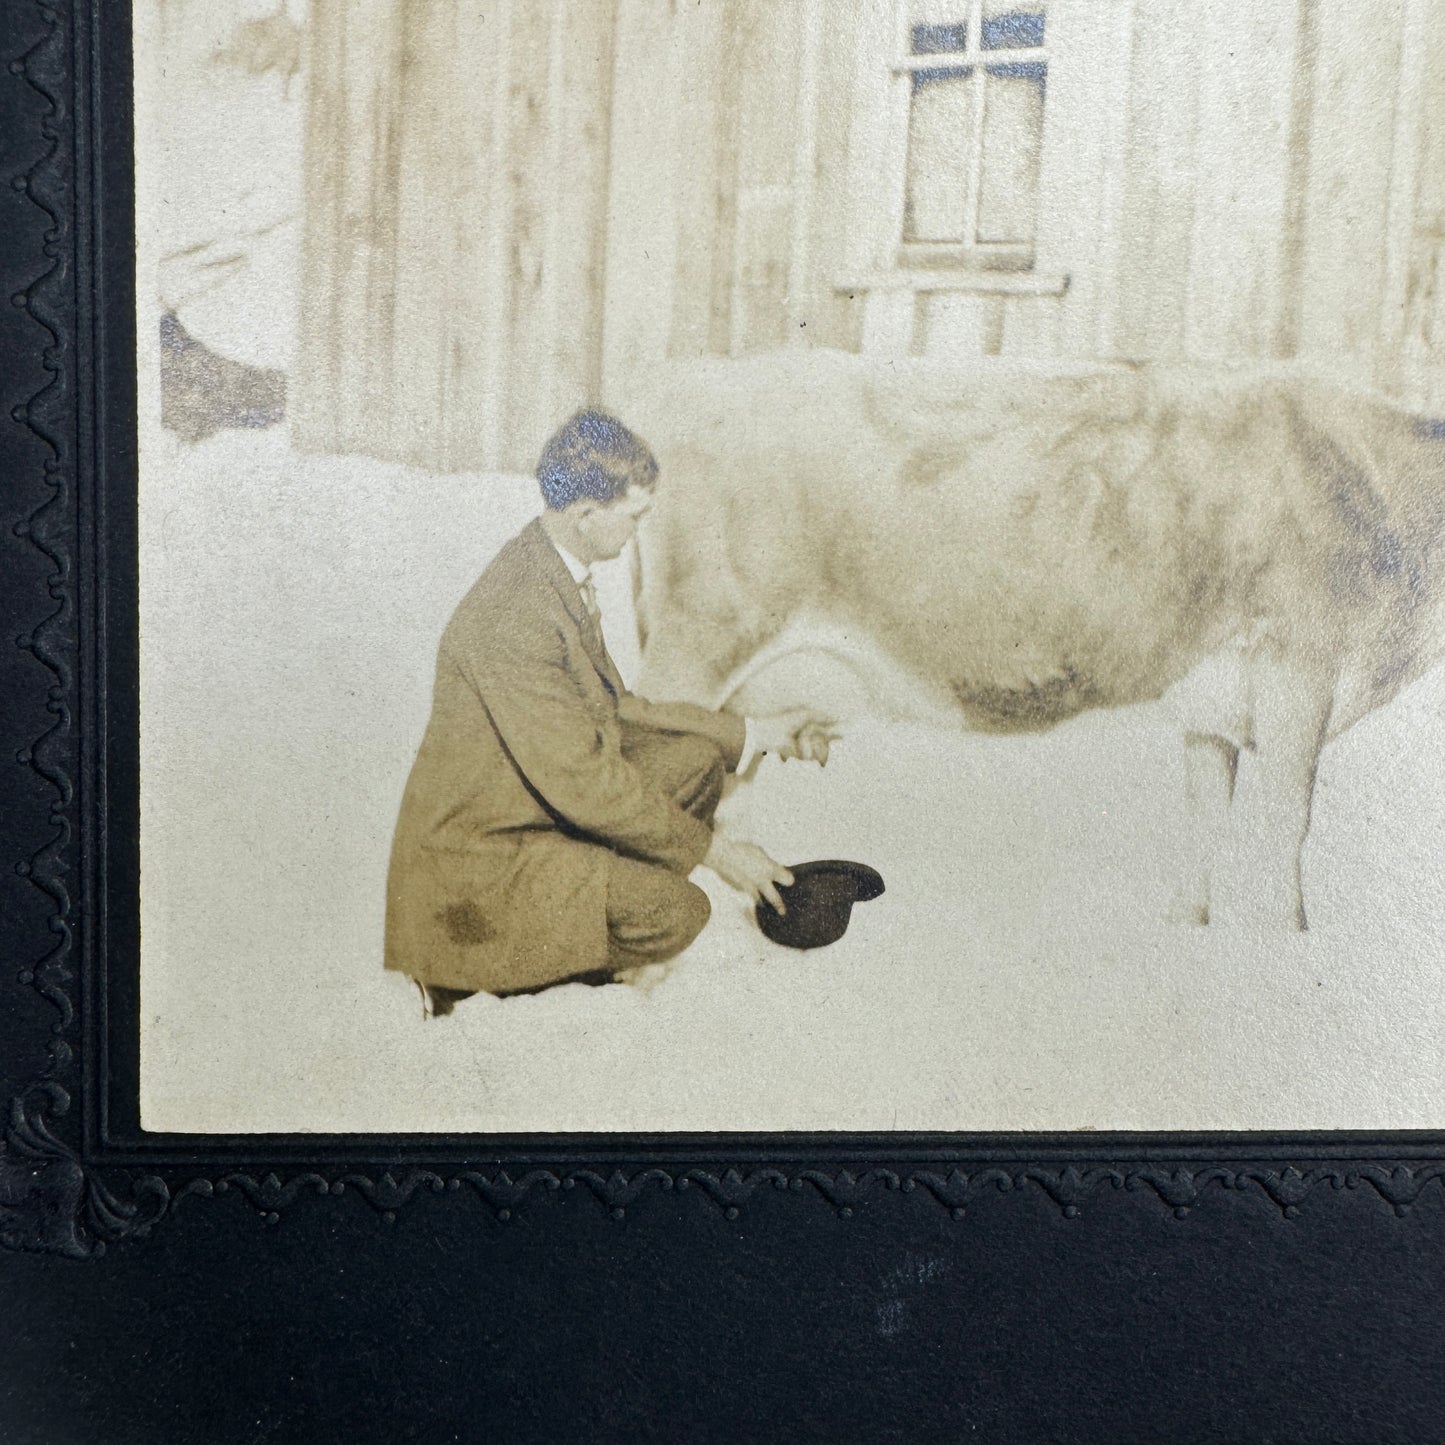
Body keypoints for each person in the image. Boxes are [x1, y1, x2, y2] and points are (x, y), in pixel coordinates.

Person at [385, 409, 832, 1013]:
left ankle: (592, 902)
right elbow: (585, 781)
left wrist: (755, 732)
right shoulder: (514, 615)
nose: (641, 531)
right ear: (587, 513)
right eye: (636, 515)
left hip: (539, 809)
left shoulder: (552, 567)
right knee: (680, 911)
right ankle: (465, 974)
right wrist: (719, 851)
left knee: (699, 760)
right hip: (481, 861)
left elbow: (617, 709)